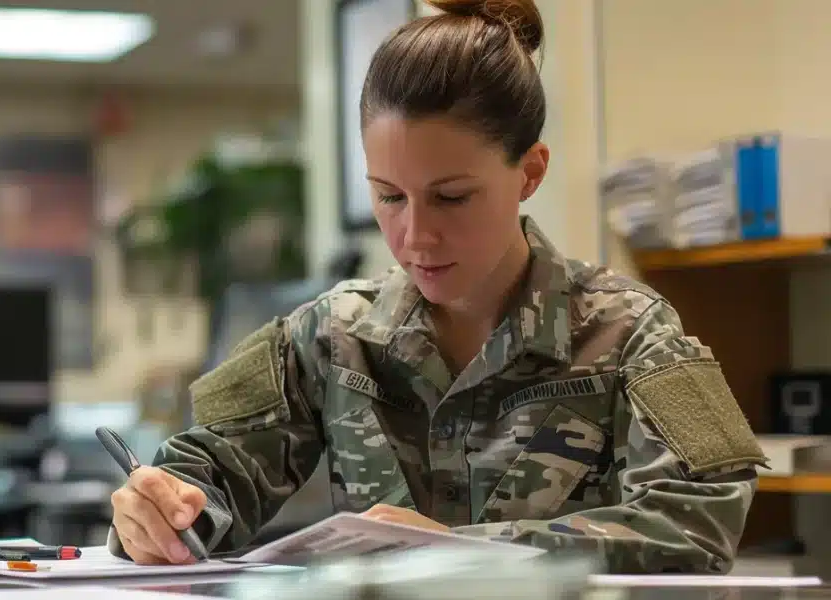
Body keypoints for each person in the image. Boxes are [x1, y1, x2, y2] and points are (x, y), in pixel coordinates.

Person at [107, 0, 767, 575]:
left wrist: (464, 549)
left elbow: (695, 526)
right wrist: (160, 509)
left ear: (529, 172)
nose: (416, 235)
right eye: (389, 197)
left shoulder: (632, 333)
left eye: (451, 197)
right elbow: (205, 475)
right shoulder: (330, 336)